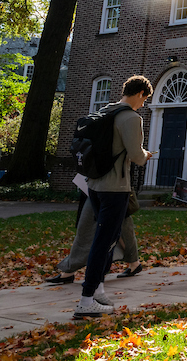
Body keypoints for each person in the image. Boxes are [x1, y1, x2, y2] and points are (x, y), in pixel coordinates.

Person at [74, 75, 155, 319]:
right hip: (115, 188)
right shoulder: (131, 118)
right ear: (140, 93)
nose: (143, 104)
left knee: (107, 240)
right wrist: (146, 155)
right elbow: (136, 155)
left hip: (94, 185)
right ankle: (86, 300)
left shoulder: (105, 111)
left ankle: (98, 290)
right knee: (103, 242)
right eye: (144, 99)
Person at [46, 193, 142, 284]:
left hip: (111, 189)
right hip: (101, 189)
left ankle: (70, 271)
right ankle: (134, 262)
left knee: (119, 225)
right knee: (118, 224)